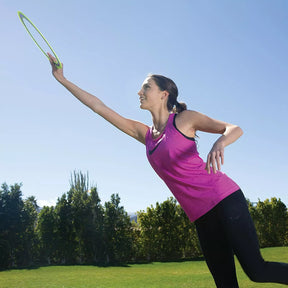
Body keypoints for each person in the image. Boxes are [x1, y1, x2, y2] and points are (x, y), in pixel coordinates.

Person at [48, 54, 288, 287]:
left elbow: (233, 128)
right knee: (225, 284)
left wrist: (220, 142)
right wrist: (63, 79)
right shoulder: (145, 135)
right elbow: (99, 107)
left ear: (164, 94)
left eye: (146, 88)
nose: (139, 92)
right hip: (201, 217)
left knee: (256, 270)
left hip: (224, 200)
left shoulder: (184, 120)